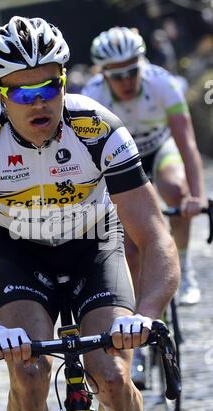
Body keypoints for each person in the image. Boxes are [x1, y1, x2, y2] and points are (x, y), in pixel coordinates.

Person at [0, 16, 179, 411]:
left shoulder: (99, 127)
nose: (40, 104)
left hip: (93, 246)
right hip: (21, 254)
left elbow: (153, 234)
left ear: (65, 80)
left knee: (111, 375)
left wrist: (147, 313)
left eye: (50, 87)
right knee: (28, 375)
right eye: (24, 93)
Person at [82, 27, 206, 307]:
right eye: (117, 76)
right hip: (121, 162)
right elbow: (90, 160)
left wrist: (196, 197)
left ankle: (184, 269)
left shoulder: (162, 83)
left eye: (132, 72)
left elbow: (186, 143)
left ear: (142, 65)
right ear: (102, 74)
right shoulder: (92, 97)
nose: (127, 81)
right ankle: (144, 312)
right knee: (130, 242)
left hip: (160, 149)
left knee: (176, 190)